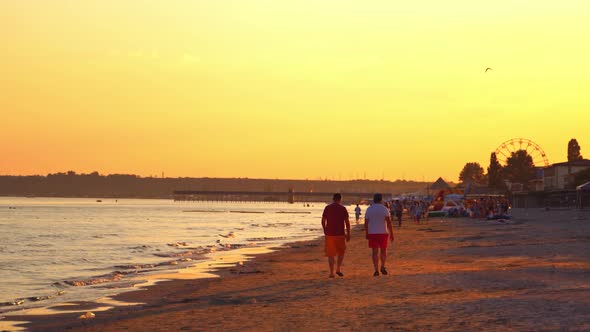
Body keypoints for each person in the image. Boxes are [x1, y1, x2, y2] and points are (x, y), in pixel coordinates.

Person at [321, 193, 351, 278]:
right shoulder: (343, 209)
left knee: (331, 254)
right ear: (340, 199)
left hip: (329, 234)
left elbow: (323, 221)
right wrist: (348, 233)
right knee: (341, 252)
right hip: (340, 234)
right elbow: (347, 222)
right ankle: (338, 269)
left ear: (333, 198)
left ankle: (331, 272)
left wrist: (325, 230)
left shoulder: (327, 208)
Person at [364, 193, 394, 276]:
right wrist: (391, 233)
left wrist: (366, 233)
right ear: (381, 200)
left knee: (374, 252)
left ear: (374, 199)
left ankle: (376, 269)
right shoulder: (384, 209)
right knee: (383, 250)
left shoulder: (369, 209)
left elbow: (366, 223)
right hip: (383, 232)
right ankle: (383, 266)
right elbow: (389, 223)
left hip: (372, 233)